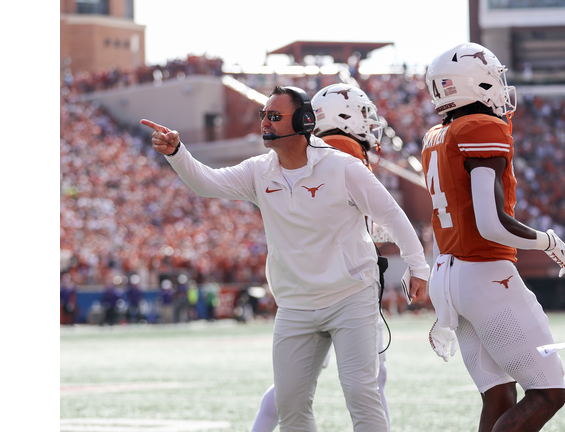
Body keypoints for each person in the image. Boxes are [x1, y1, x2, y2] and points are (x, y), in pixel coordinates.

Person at [140, 84, 430, 432]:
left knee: (361, 395)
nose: (265, 122)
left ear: (305, 121)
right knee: (291, 405)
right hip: (295, 304)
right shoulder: (258, 170)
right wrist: (177, 152)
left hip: (350, 296)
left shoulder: (342, 167)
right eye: (264, 114)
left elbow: (392, 214)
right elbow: (207, 183)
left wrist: (418, 266)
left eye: (275, 116)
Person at [421, 42, 565, 432]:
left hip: (446, 273)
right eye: (494, 78)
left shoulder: (437, 135)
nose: (500, 85)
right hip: (485, 274)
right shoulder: (481, 127)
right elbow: (491, 224)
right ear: (475, 83)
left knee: (498, 396)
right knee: (549, 392)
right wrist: (547, 241)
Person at [251, 83, 391, 432]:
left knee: (292, 391)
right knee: (368, 383)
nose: (368, 124)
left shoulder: (314, 151)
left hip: (315, 285)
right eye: (363, 115)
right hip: (342, 287)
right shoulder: (341, 150)